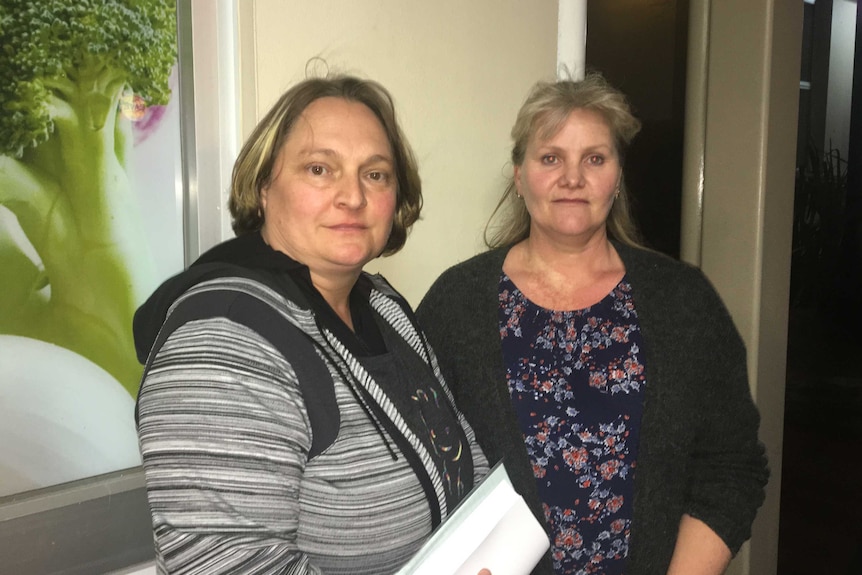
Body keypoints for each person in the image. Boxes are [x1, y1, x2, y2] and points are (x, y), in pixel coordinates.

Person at [133, 74, 490, 574]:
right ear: (263, 187)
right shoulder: (224, 340)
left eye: (376, 174)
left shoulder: (382, 306)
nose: (353, 196)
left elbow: (462, 453)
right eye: (320, 169)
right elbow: (228, 564)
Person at [416, 73, 769, 575]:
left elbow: (731, 468)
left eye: (595, 159)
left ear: (618, 175)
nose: (572, 178)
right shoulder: (456, 305)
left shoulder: (684, 303)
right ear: (520, 174)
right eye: (550, 158)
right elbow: (422, 470)